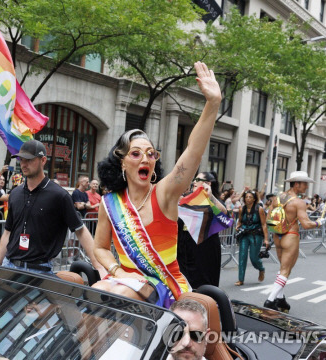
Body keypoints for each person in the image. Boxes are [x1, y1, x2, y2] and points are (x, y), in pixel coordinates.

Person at [92, 62, 221, 307]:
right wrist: (117, 272)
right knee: (94, 291)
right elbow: (100, 248)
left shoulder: (164, 193)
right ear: (121, 162)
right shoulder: (109, 204)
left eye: (151, 154)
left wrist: (212, 104)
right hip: (125, 282)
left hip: (166, 289)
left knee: (117, 296)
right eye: (136, 153)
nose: (146, 158)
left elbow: (193, 151)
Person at [0, 139, 105, 276]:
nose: (23, 164)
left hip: (39, 270)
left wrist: (98, 266)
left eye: (29, 160)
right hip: (8, 266)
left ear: (43, 160)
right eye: (21, 159)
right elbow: (8, 232)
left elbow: (80, 230)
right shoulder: (15, 194)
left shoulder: (59, 195)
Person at [264, 171, 324, 312]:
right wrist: (319, 223)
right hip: (290, 235)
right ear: (296, 184)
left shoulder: (276, 198)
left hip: (277, 236)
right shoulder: (298, 202)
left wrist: (267, 237)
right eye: (304, 184)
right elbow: (306, 224)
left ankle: (281, 299)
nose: (306, 187)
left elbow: (268, 219)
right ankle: (270, 300)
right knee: (286, 270)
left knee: (283, 269)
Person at [177, 172, 228, 289]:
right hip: (184, 249)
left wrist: (210, 196)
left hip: (204, 251)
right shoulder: (185, 199)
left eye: (198, 179)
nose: (194, 181)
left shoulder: (212, 201)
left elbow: (224, 214)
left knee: (203, 287)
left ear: (207, 183)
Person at [234, 190, 268, 286]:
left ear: (254, 199)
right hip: (244, 235)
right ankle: (241, 279)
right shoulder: (242, 209)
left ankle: (261, 268)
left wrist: (266, 239)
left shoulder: (259, 209)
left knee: (254, 258)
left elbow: (264, 224)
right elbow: (240, 221)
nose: (248, 199)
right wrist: (238, 226)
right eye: (246, 197)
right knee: (242, 256)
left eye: (250, 197)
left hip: (255, 235)